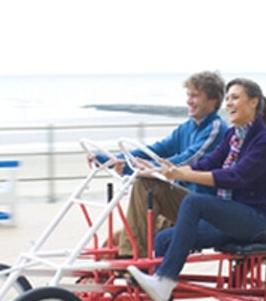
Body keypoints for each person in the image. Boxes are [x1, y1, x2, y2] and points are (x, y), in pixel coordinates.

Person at [127, 78, 266, 301]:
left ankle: (164, 281)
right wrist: (165, 171)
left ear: (253, 102)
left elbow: (236, 177)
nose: (228, 103)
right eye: (228, 98)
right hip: (234, 217)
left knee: (194, 201)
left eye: (235, 98)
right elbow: (206, 163)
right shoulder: (233, 136)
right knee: (164, 239)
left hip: (259, 221)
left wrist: (184, 174)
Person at [94, 71, 227, 258]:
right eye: (188, 95)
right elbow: (157, 150)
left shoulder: (216, 128)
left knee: (146, 184)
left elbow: (189, 159)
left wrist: (151, 169)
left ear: (213, 100)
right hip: (180, 203)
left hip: (202, 206)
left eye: (195, 96)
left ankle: (133, 259)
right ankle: (107, 273)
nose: (189, 101)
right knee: (114, 242)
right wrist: (111, 159)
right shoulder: (187, 127)